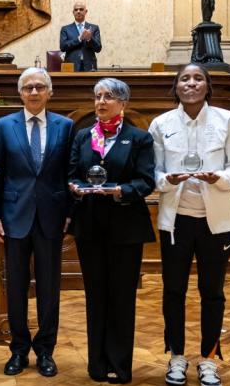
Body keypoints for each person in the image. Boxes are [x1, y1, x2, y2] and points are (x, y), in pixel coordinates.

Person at [148, 63, 230, 386]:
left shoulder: (227, 120)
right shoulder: (161, 124)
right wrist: (167, 179)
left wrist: (219, 177)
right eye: (184, 79)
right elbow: (152, 172)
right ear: (176, 86)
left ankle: (208, 358)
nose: (191, 83)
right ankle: (176, 356)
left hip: (215, 222)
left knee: (212, 292)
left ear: (207, 85)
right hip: (176, 222)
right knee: (173, 290)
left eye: (198, 78)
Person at [68, 78, 156, 384]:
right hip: (89, 226)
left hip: (125, 228)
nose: (101, 102)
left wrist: (120, 190)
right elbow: (72, 173)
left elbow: (146, 182)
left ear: (123, 103)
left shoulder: (139, 138)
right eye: (97, 96)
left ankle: (120, 365)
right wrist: (74, 188)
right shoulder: (82, 136)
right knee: (96, 296)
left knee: (121, 297)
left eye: (109, 97)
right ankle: (96, 364)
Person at [0, 67, 74, 377]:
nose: (34, 92)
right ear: (20, 93)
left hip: (51, 218)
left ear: (49, 92)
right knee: (15, 288)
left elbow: (69, 173)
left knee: (49, 288)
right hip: (14, 217)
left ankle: (45, 351)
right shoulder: (4, 125)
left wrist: (69, 213)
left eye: (40, 87)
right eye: (28, 87)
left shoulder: (65, 127)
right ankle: (19, 349)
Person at [60, 2, 102, 72]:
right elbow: (63, 47)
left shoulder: (94, 28)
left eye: (81, 9)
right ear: (73, 12)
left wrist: (89, 38)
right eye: (76, 10)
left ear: (86, 12)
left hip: (90, 66)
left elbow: (98, 49)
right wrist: (79, 39)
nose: (78, 11)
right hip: (71, 66)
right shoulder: (65, 29)